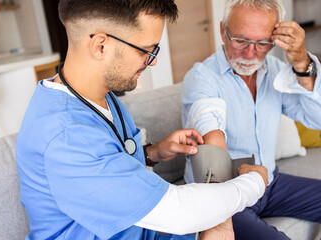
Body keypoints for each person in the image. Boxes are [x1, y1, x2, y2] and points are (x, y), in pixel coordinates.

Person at [16, 1, 268, 239]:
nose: (153, 60)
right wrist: (254, 182)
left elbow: (112, 167)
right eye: (146, 50)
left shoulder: (98, 96)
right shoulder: (66, 136)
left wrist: (152, 153)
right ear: (101, 45)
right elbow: (179, 212)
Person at [181, 0, 321, 239]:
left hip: (271, 183)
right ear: (223, 31)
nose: (249, 53)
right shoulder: (201, 77)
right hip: (226, 193)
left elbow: (316, 120)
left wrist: (301, 64)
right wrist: (219, 218)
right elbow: (211, 137)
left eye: (262, 43)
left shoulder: (276, 71)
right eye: (240, 40)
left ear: (276, 39)